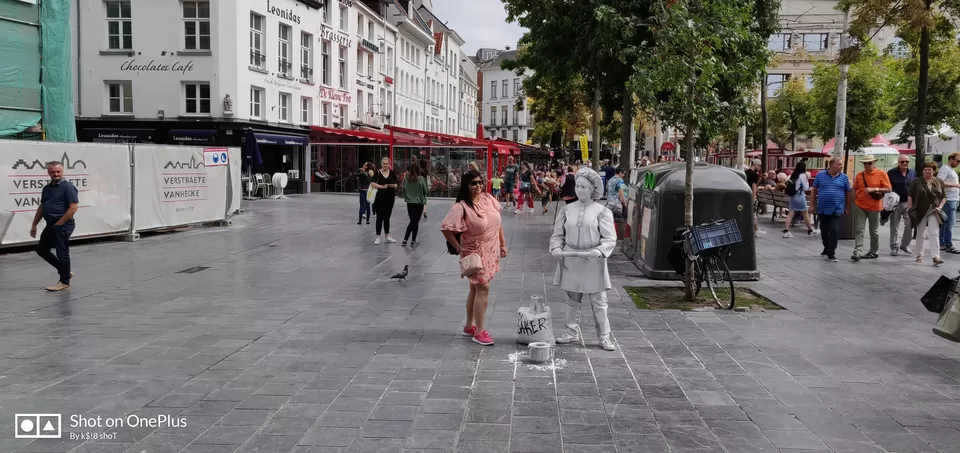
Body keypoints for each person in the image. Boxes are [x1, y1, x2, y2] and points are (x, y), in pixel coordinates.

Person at [551, 168, 617, 351]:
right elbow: (558, 235)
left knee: (599, 300)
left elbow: (610, 238)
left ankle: (604, 336)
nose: (580, 190)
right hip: (570, 258)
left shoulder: (602, 212)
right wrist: (556, 247)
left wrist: (601, 250)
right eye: (578, 186)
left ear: (592, 189)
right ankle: (570, 332)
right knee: (571, 298)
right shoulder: (566, 210)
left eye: (584, 187)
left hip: (593, 260)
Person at [441, 170, 507, 346]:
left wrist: (502, 244)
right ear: (466, 186)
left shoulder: (488, 198)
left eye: (480, 182)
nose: (478, 186)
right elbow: (446, 227)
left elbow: (498, 222)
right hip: (474, 252)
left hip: (490, 250)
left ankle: (470, 325)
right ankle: (479, 331)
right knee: (483, 288)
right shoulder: (461, 206)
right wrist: (458, 246)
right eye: (473, 183)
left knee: (475, 289)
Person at [30, 161, 79, 291]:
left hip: (63, 224)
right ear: (48, 173)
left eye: (58, 171)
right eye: (52, 172)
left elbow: (73, 208)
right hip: (51, 224)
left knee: (62, 253)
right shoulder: (47, 188)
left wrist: (60, 223)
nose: (55, 174)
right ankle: (65, 272)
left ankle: (64, 281)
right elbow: (42, 207)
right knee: (41, 249)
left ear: (62, 172)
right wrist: (34, 224)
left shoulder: (68, 187)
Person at [810, 157, 853, 262]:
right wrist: (812, 205)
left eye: (841, 164)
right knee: (824, 231)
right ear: (832, 165)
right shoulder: (820, 175)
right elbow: (814, 190)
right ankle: (826, 246)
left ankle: (831, 252)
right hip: (823, 208)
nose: (841, 166)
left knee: (834, 230)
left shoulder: (844, 177)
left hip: (837, 209)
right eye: (839, 164)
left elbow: (848, 193)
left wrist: (847, 207)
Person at [851, 154, 892, 262]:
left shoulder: (881, 173)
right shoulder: (860, 175)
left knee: (874, 230)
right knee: (859, 229)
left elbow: (889, 189)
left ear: (874, 163)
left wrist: (874, 189)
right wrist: (854, 199)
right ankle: (857, 251)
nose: (867, 165)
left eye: (870, 163)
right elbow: (854, 188)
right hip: (860, 205)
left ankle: (873, 251)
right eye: (865, 163)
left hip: (875, 206)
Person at [910, 161, 947, 265]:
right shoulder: (916, 181)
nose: (927, 171)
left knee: (934, 233)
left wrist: (940, 207)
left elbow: (944, 196)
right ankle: (919, 255)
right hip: (920, 210)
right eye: (925, 169)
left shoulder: (939, 181)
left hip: (934, 210)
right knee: (920, 233)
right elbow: (910, 195)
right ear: (922, 171)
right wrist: (910, 208)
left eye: (929, 170)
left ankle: (936, 257)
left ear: (934, 171)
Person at [887, 156, 915, 255]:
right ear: (898, 162)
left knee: (910, 224)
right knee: (894, 225)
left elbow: (914, 187)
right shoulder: (891, 173)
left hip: (908, 203)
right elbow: (887, 186)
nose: (904, 163)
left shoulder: (912, 173)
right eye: (902, 161)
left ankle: (905, 245)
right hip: (896, 203)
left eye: (906, 161)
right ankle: (894, 247)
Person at [782, 161, 816, 238]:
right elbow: (805, 188)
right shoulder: (803, 175)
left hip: (792, 196)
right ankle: (810, 230)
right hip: (800, 196)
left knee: (790, 213)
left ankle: (786, 230)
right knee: (805, 213)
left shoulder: (793, 175)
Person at [371, 157, 399, 245]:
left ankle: (387, 235)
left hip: (390, 198)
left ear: (389, 164)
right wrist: (382, 187)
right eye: (384, 164)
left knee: (387, 217)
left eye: (387, 164)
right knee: (379, 217)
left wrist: (393, 185)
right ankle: (378, 236)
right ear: (381, 164)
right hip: (379, 198)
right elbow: (372, 183)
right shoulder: (378, 172)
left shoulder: (392, 173)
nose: (385, 165)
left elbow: (396, 184)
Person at [938, 152, 960, 254]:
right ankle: (948, 244)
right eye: (958, 161)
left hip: (952, 199)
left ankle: (942, 244)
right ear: (951, 159)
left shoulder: (950, 170)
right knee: (949, 223)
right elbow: (939, 182)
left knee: (945, 223)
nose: (959, 163)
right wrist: (956, 185)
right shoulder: (945, 169)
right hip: (949, 200)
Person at [402, 161, 428, 247]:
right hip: (419, 202)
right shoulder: (421, 179)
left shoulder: (406, 179)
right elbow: (426, 191)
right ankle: (413, 240)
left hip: (409, 202)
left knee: (412, 221)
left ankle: (405, 239)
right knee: (415, 222)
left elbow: (403, 190)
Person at [745, 159, 765, 236]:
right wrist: (754, 198)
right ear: (756, 165)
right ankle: (756, 230)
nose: (759, 168)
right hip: (750, 195)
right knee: (753, 213)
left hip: (745, 194)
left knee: (751, 213)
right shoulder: (754, 174)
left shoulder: (745, 172)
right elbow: (754, 187)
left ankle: (756, 229)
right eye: (759, 166)